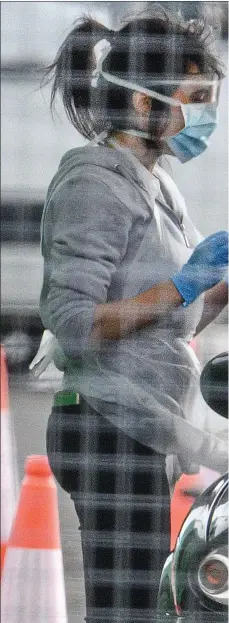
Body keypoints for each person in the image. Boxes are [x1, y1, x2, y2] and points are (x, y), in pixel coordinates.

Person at [34, 7, 228, 622]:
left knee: (148, 602)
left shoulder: (154, 183)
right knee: (127, 610)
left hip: (141, 426)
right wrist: (182, 284)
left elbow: (170, 325)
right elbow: (75, 324)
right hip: (104, 427)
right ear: (143, 107)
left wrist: (215, 292)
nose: (206, 115)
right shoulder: (94, 183)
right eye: (193, 98)